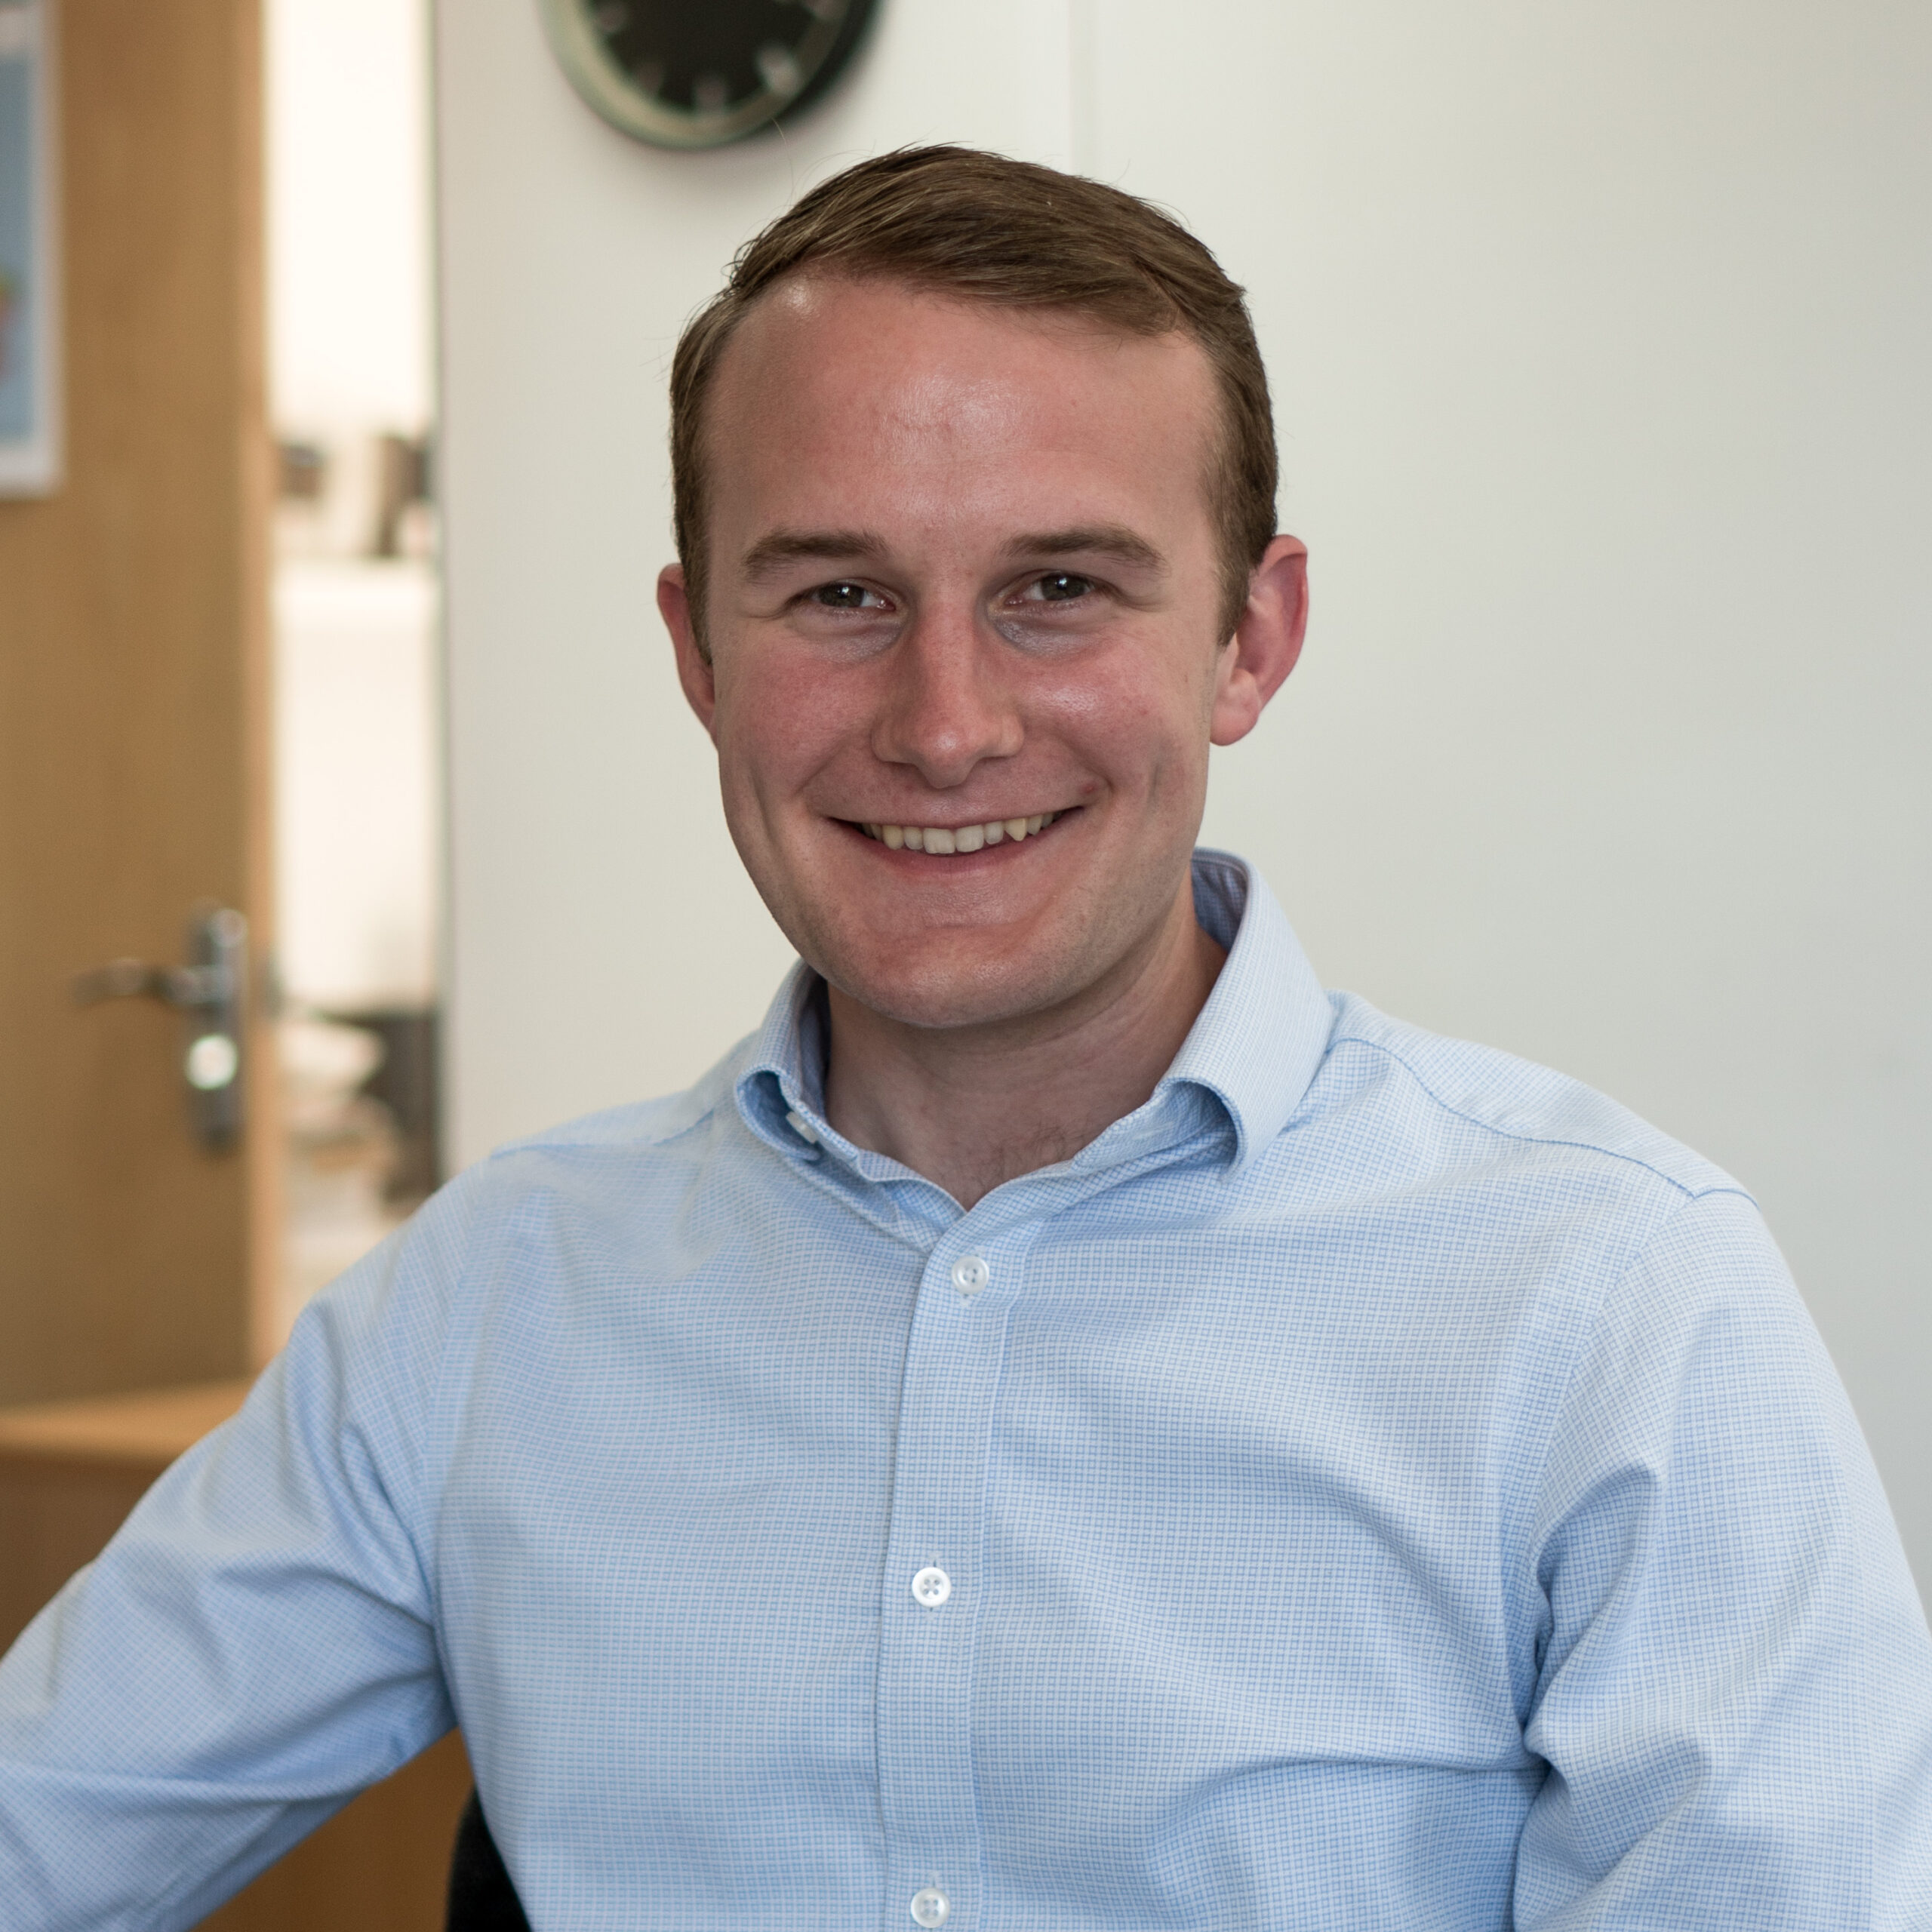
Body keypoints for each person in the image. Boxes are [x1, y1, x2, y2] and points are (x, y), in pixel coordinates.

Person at [2, 146, 1930, 1932]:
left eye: (1056, 591)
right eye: (837, 592)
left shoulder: (1606, 1300)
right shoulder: (489, 1302)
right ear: (694, 652)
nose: (941, 723)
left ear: (1249, 639)